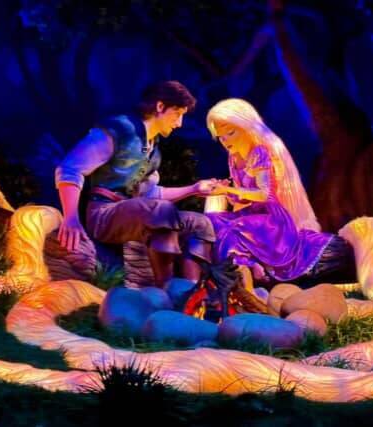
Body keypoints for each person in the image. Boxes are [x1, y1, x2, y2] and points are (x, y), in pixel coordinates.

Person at [55, 81, 219, 288]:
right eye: (177, 114)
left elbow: (151, 194)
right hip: (103, 214)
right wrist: (71, 218)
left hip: (134, 212)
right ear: (160, 107)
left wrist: (194, 189)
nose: (179, 123)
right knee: (161, 210)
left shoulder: (153, 151)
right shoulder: (119, 130)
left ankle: (193, 292)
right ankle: (167, 291)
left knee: (199, 223)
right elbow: (70, 169)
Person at [205, 98, 334, 283]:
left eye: (230, 133)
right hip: (252, 213)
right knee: (212, 220)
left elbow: (264, 195)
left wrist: (228, 188)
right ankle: (228, 269)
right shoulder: (233, 158)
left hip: (272, 219)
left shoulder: (259, 152)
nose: (225, 141)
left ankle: (248, 268)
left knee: (236, 227)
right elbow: (243, 200)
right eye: (221, 137)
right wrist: (226, 192)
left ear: (246, 128)